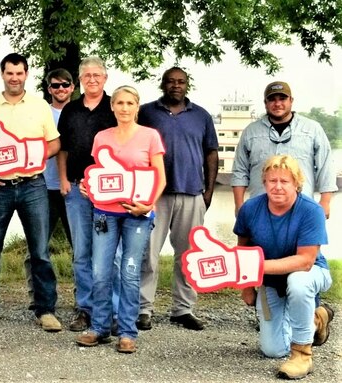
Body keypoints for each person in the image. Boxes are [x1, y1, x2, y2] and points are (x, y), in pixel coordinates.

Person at [0, 52, 63, 332]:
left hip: (33, 184)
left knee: (40, 251)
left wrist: (31, 155)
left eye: (19, 73)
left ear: (26, 74)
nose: (14, 78)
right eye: (9, 73)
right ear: (2, 74)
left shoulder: (40, 106)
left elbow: (55, 144)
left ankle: (46, 310)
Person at [76, 85, 166, 353]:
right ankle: (100, 327)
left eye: (130, 103)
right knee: (100, 271)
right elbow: (98, 176)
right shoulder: (102, 137)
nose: (125, 108)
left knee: (129, 272)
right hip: (105, 213)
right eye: (120, 103)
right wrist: (87, 187)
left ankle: (127, 331)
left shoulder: (150, 136)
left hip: (137, 213)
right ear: (112, 107)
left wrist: (148, 204)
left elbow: (160, 176)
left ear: (137, 106)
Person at [234, 155, 333, 380]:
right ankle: (315, 319)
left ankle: (302, 355)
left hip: (310, 273)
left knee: (298, 281)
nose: (277, 187)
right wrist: (248, 287)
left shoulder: (311, 211)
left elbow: (305, 261)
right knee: (273, 350)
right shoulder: (250, 209)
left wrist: (258, 267)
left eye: (284, 181)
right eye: (272, 181)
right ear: (264, 182)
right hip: (270, 279)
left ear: (297, 183)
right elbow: (244, 251)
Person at [137, 67, 219, 331]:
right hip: (155, 195)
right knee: (148, 253)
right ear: (163, 84)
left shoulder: (201, 116)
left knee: (188, 254)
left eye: (181, 81)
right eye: (170, 81)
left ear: (187, 84)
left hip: (192, 192)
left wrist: (208, 192)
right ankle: (143, 309)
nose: (175, 85)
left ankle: (182, 309)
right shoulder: (147, 112)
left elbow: (211, 154)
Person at [57, 56, 118, 332]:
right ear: (80, 80)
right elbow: (63, 149)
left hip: (109, 192)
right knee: (81, 252)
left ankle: (112, 310)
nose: (92, 79)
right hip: (76, 189)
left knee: (109, 254)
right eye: (87, 75)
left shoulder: (115, 107)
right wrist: (63, 180)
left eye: (97, 75)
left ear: (105, 78)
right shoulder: (70, 110)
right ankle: (85, 308)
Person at [232, 81, 337, 218]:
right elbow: (240, 170)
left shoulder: (312, 129)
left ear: (291, 100)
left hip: (302, 211)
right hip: (259, 211)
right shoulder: (250, 132)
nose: (277, 104)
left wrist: (325, 201)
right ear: (265, 102)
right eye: (272, 99)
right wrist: (239, 205)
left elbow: (326, 167)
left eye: (282, 98)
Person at [23, 68, 74, 302]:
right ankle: (38, 297)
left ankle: (82, 299)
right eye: (55, 85)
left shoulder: (80, 113)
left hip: (75, 189)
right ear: (48, 88)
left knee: (81, 249)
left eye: (65, 84)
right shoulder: (38, 112)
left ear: (73, 87)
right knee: (37, 247)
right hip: (42, 187)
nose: (61, 89)